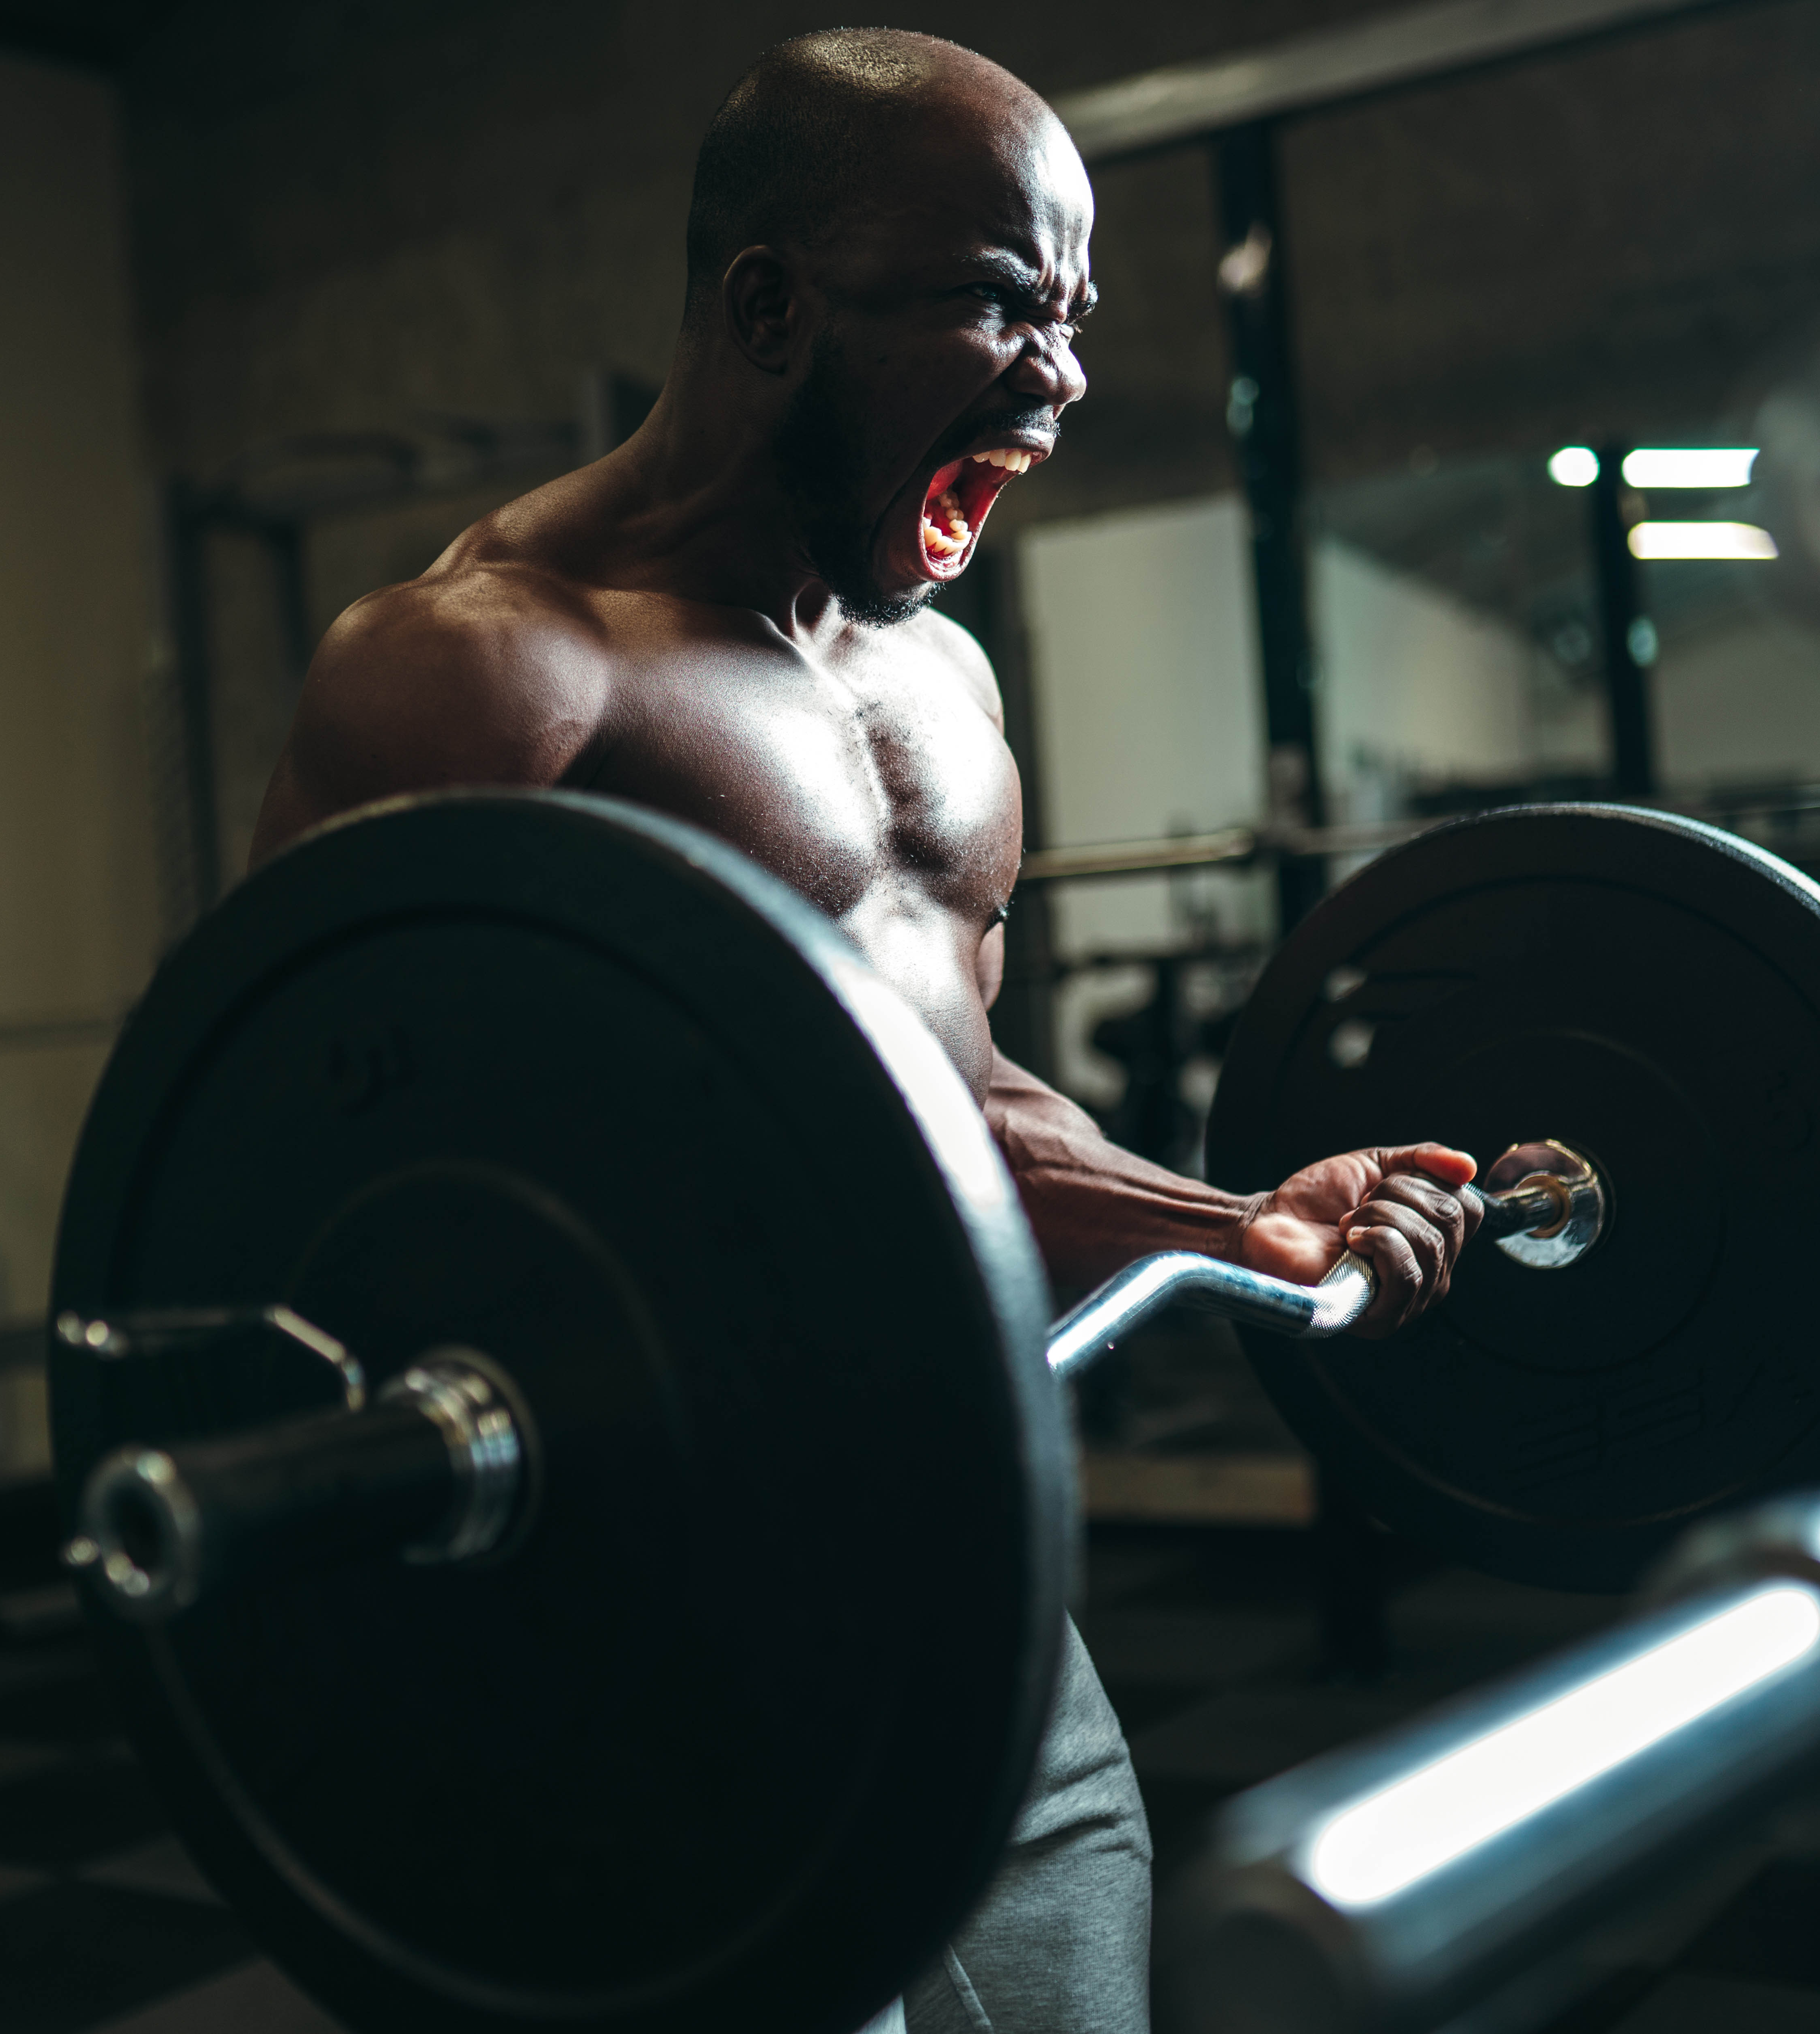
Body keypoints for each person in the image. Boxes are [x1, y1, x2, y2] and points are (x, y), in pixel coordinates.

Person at [251, 28, 1482, 2031]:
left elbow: (960, 1106)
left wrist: (1227, 1222)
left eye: (1076, 317)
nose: (1062, 374)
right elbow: (314, 1204)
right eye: (1006, 303)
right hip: (651, 1635)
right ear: (768, 305)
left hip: (959, 1550)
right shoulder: (485, 678)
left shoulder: (939, 692)